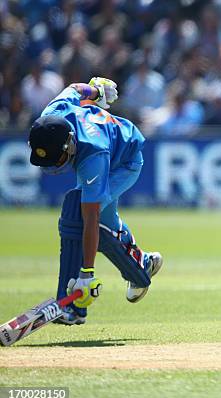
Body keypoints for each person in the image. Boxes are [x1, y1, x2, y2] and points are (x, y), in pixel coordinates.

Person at [27, 77, 163, 324]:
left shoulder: (93, 156)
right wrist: (97, 90)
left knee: (77, 216)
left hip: (123, 163)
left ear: (68, 145)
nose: (55, 167)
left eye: (57, 160)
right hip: (105, 147)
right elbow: (75, 89)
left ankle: (70, 308)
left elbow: (91, 218)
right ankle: (142, 265)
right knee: (104, 223)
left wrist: (86, 274)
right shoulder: (51, 115)